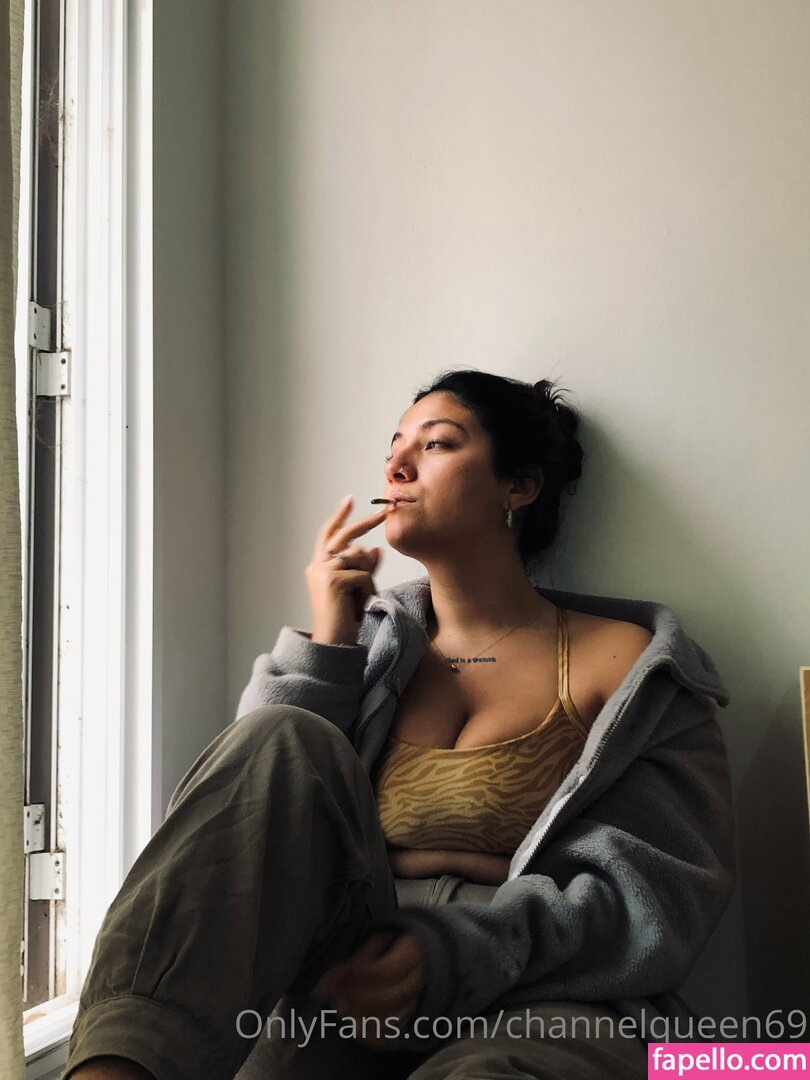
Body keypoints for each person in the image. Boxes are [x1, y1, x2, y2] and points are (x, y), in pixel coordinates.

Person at [62, 369, 736, 1080]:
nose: (397, 466)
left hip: (542, 993)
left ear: (520, 486)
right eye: (393, 448)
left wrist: (453, 954)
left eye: (437, 443)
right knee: (280, 736)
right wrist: (329, 645)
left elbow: (658, 896)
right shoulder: (371, 652)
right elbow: (252, 833)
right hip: (350, 983)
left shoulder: (628, 663)